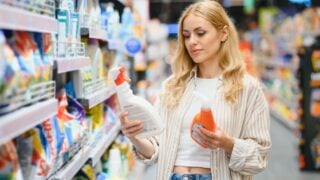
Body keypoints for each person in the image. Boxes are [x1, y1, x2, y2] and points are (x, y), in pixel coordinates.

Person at [119, 1, 271, 180]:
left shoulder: (248, 88)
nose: (192, 42)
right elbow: (156, 148)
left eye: (200, 33)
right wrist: (135, 137)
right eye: (186, 35)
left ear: (223, 33)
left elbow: (259, 157)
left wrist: (227, 143)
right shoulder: (172, 86)